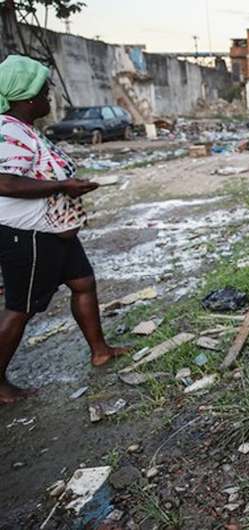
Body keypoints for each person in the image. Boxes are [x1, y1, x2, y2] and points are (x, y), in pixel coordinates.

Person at [0, 55, 128, 404]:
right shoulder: (7, 131)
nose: (49, 96)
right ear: (26, 96)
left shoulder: (24, 131)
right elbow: (5, 182)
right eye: (44, 90)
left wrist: (67, 185)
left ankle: (99, 349)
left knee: (83, 283)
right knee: (21, 308)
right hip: (27, 235)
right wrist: (63, 188)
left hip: (55, 229)